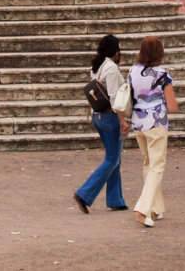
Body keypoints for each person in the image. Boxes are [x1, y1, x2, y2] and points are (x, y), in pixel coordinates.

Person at [73, 34, 129, 214]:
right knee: (112, 158)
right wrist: (122, 120)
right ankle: (85, 193)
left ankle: (115, 199)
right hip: (110, 118)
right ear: (116, 51)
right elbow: (114, 99)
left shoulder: (96, 67)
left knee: (114, 158)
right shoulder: (111, 69)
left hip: (98, 116)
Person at [128, 35, 178, 228]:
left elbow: (131, 97)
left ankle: (156, 208)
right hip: (156, 123)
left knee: (148, 163)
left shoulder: (132, 71)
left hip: (138, 122)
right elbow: (172, 104)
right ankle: (143, 207)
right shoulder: (162, 74)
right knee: (157, 166)